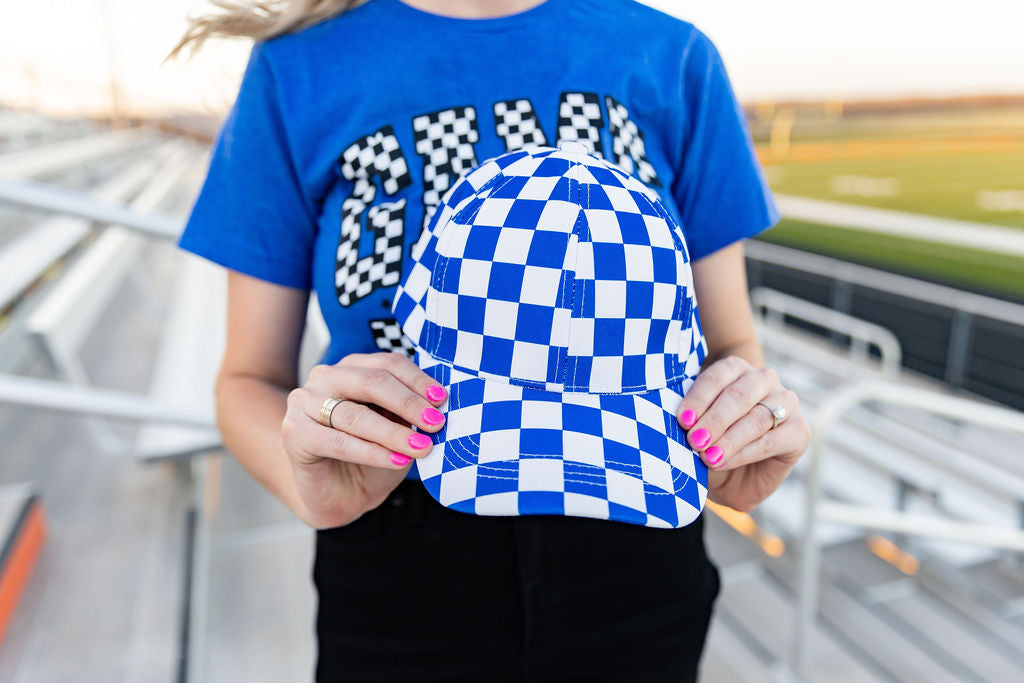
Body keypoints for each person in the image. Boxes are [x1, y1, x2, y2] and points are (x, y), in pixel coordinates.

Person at [167, 1, 812, 681]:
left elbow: (730, 342)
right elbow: (248, 378)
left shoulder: (671, 56)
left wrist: (741, 426)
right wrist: (316, 491)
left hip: (634, 521)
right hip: (398, 539)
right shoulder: (297, 68)